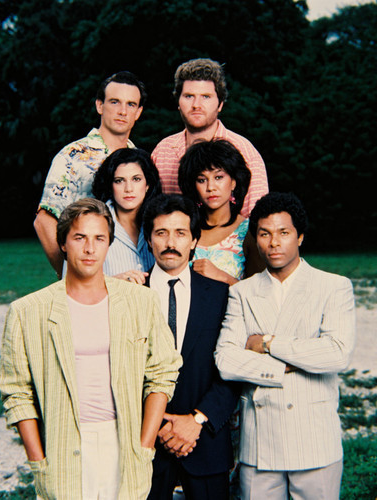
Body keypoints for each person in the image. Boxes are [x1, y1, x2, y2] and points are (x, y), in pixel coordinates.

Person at [0, 198, 182, 500]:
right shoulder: (27, 311)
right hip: (62, 446)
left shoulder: (140, 301)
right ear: (63, 243)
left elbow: (162, 372)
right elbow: (17, 392)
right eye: (79, 237)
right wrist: (38, 459)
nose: (89, 249)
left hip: (124, 443)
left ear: (109, 243)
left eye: (99, 238)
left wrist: (144, 445)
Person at [215, 192, 356, 500]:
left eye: (284, 233)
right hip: (259, 443)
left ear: (300, 236)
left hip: (314, 439)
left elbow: (337, 353)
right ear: (256, 239)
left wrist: (268, 343)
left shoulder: (333, 287)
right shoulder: (243, 292)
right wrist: (291, 365)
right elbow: (226, 360)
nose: (274, 243)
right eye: (264, 234)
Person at [142, 194, 240, 500]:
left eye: (180, 233)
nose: (171, 242)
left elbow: (234, 367)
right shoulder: (129, 295)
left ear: (194, 240)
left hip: (205, 439)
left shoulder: (221, 295)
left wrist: (198, 419)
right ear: (149, 240)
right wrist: (157, 424)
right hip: (144, 444)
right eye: (161, 233)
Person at [34, 71, 146, 277]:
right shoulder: (73, 156)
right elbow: (44, 222)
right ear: (99, 106)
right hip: (90, 278)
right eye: (114, 102)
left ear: (138, 112)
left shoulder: (140, 161)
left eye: (131, 104)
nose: (123, 111)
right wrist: (73, 276)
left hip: (135, 274)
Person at [151, 58, 268, 218]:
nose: (196, 105)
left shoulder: (245, 152)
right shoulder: (163, 151)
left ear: (220, 104)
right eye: (189, 96)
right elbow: (151, 214)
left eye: (206, 97)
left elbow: (258, 220)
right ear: (178, 102)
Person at [179, 139, 264, 286]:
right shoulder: (184, 228)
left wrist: (223, 277)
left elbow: (259, 294)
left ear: (233, 182)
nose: (211, 187)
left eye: (218, 177)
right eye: (202, 180)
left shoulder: (249, 231)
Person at [92, 147, 161, 283]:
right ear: (110, 186)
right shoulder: (91, 225)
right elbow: (71, 286)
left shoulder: (161, 223)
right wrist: (112, 284)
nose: (128, 188)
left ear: (147, 184)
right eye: (119, 181)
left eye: (136, 179)